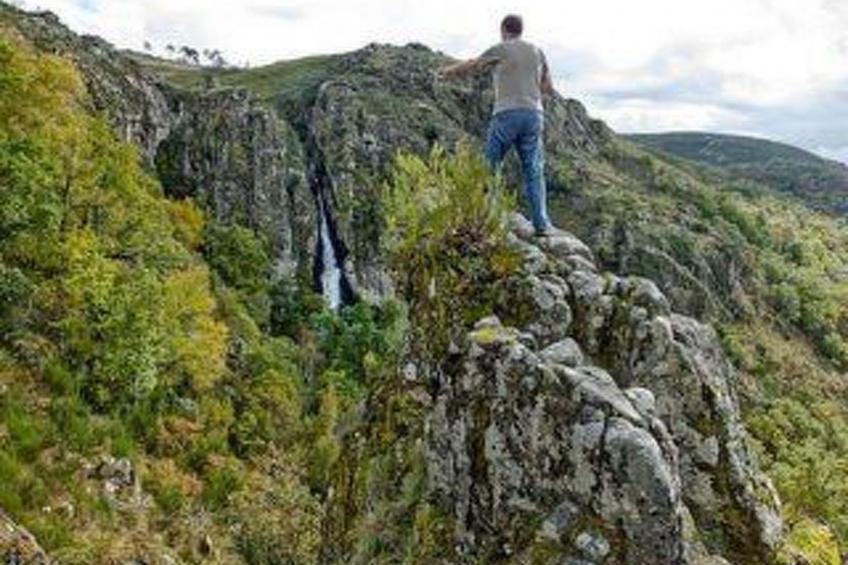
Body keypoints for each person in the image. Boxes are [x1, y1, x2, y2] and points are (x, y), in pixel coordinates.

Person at [439, 13, 557, 236]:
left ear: (504, 30)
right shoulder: (538, 51)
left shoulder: (501, 48)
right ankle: (541, 224)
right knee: (533, 170)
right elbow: (547, 86)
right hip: (534, 114)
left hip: (506, 114)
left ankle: (491, 220)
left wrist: (447, 72)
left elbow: (474, 64)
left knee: (491, 167)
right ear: (521, 30)